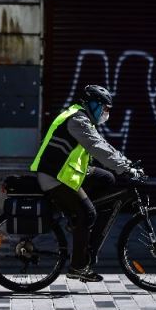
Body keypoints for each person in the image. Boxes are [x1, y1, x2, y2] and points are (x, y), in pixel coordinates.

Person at [30, 85, 144, 283]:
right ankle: (78, 266)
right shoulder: (77, 120)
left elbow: (102, 144)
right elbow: (97, 147)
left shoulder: (83, 119)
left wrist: (126, 163)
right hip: (54, 176)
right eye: (105, 108)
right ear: (92, 104)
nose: (106, 113)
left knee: (107, 179)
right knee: (89, 213)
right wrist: (125, 169)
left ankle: (77, 220)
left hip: (68, 172)